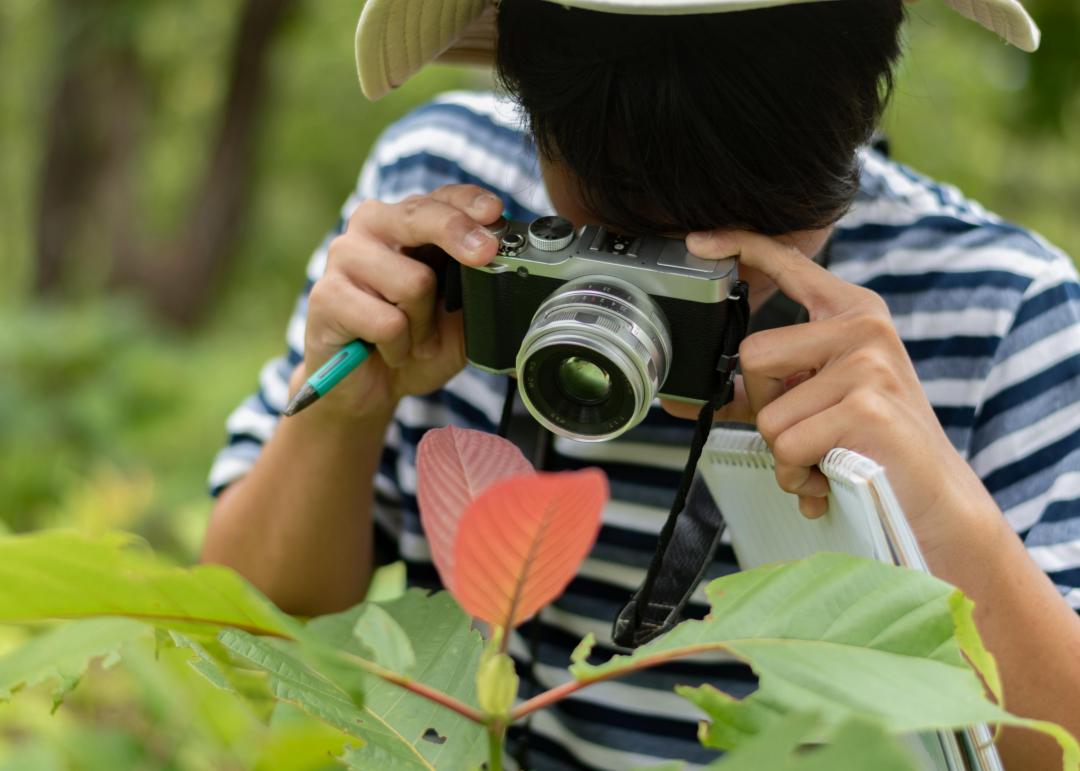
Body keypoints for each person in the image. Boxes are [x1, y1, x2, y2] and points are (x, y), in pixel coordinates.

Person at [201, 0, 1080, 768]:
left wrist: (929, 501)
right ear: (529, 105)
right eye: (614, 236)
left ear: (859, 109)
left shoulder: (1000, 309)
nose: (672, 283)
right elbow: (254, 625)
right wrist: (342, 414)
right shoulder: (441, 216)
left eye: (755, 230)